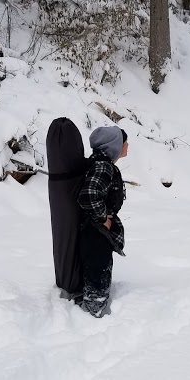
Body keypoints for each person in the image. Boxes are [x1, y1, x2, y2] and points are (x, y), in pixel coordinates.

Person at [76, 126, 128, 317]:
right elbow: (89, 195)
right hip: (95, 232)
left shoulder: (99, 164)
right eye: (123, 142)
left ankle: (92, 309)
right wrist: (102, 218)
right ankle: (92, 316)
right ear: (113, 146)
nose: (127, 145)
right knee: (97, 272)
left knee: (96, 270)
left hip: (94, 231)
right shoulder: (103, 166)